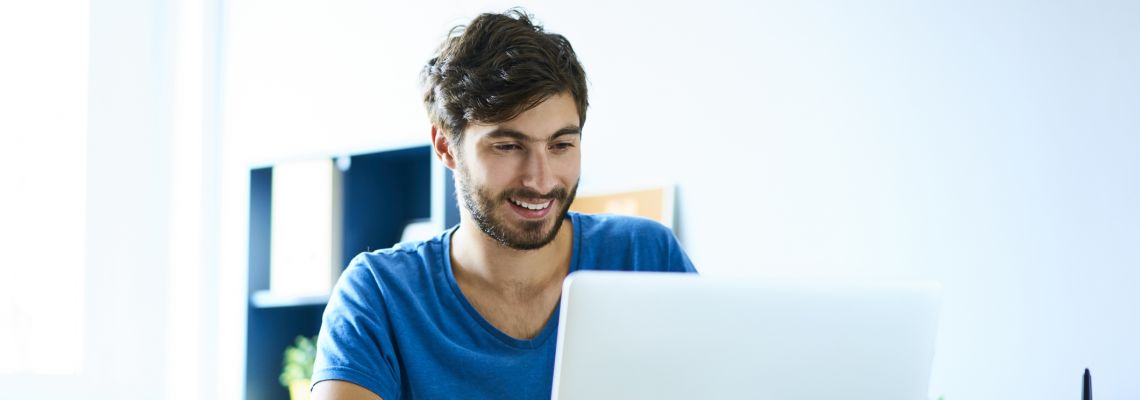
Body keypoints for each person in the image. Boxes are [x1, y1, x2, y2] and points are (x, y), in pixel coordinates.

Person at [311, 9, 696, 400]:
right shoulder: (379, 294)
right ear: (446, 146)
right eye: (508, 146)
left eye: (561, 145)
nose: (540, 180)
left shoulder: (646, 258)